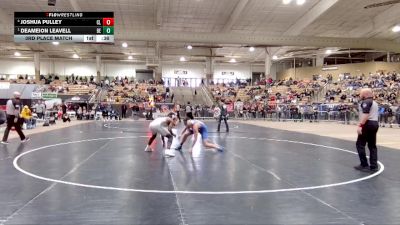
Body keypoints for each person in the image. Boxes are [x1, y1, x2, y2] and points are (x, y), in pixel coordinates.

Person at [354, 88, 379, 172]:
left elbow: (366, 114)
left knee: (360, 144)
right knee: (372, 146)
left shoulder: (366, 102)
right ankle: (374, 166)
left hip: (367, 124)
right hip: (375, 123)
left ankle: (364, 165)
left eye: (360, 94)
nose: (359, 95)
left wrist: (360, 125)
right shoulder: (375, 102)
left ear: (365, 94)